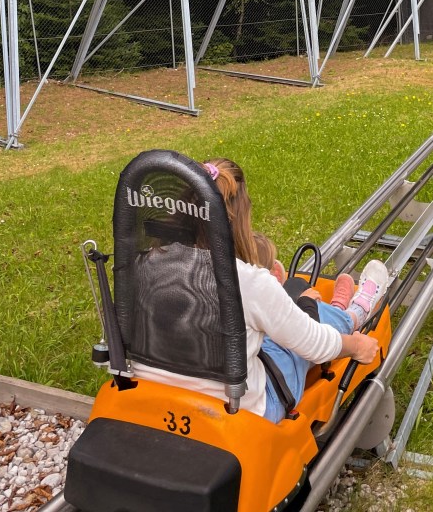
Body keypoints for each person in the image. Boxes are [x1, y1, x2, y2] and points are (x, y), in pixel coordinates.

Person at [131, 157, 389, 424]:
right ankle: (355, 313)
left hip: (153, 401)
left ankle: (330, 310)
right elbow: (315, 346)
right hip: (241, 412)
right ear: (239, 216)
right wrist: (357, 346)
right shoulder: (247, 281)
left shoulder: (141, 265)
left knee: (269, 328)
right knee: (301, 328)